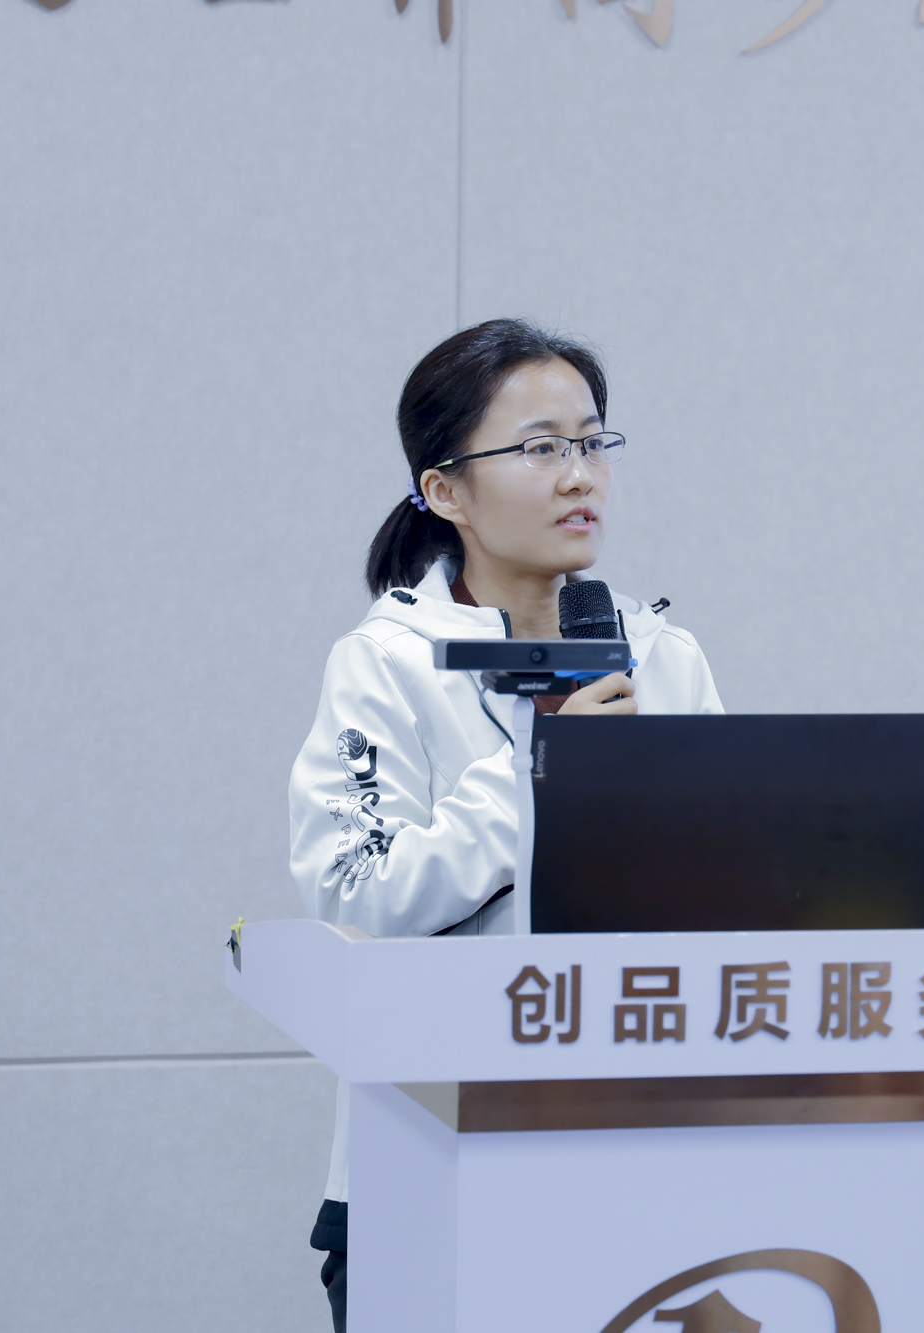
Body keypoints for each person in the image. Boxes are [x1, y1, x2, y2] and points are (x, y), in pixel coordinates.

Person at [286, 319, 724, 1331]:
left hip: (640, 1165)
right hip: (431, 1170)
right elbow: (358, 894)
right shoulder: (385, 663)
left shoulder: (665, 658)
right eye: (540, 448)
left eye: (592, 442)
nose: (579, 475)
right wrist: (537, 770)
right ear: (445, 491)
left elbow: (727, 894)